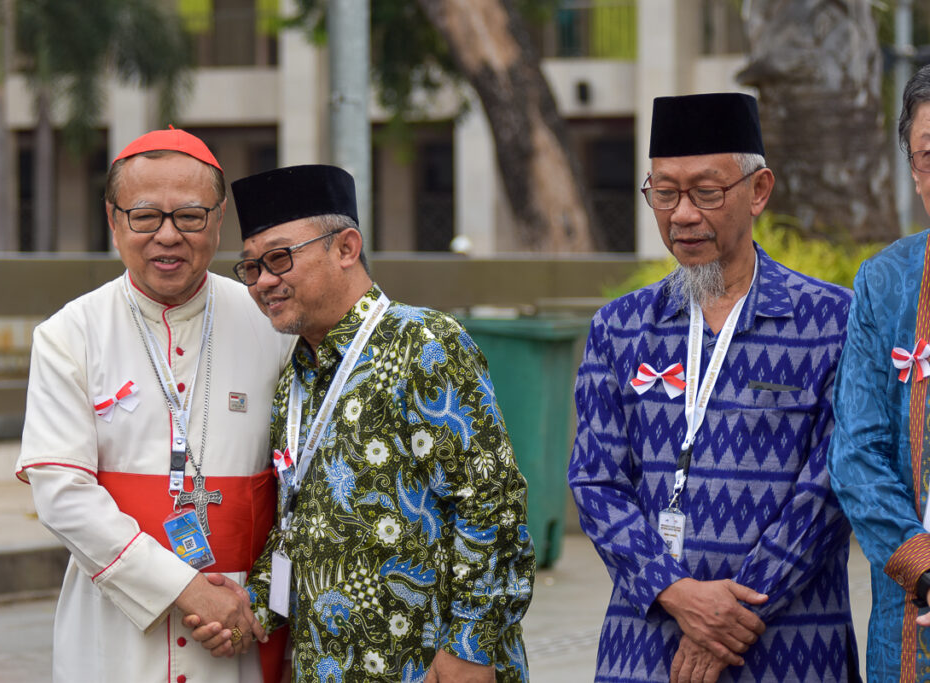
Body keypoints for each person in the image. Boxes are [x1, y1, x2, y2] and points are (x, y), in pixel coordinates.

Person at [185, 164, 535, 681]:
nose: (263, 282)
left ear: (346, 248)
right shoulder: (296, 378)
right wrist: (251, 610)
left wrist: (470, 647)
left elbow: (491, 506)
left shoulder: (424, 344)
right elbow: (297, 525)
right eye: (251, 267)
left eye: (280, 258)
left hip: (432, 667)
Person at [567, 93, 861, 682]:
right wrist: (676, 592)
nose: (682, 215)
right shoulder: (620, 328)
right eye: (665, 192)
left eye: (706, 192)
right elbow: (595, 481)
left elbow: (831, 486)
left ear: (758, 191)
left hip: (790, 647)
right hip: (646, 647)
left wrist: (729, 615)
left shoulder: (833, 320)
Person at [15, 128, 294, 683]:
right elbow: (62, 496)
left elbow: (302, 488)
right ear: (114, 221)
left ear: (218, 221)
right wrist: (185, 588)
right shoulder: (70, 334)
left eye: (190, 216)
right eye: (145, 216)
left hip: (242, 622)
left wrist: (258, 603)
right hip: (116, 630)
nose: (168, 236)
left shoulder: (274, 326)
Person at [829, 63, 930, 682]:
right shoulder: (886, 282)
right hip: (912, 609)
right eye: (929, 154)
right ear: (915, 172)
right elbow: (857, 453)